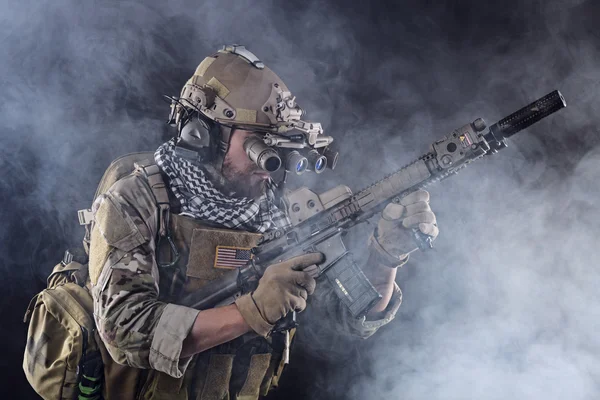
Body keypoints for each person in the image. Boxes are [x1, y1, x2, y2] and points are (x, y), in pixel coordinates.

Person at [88, 45, 439, 399]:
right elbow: (125, 330)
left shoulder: (279, 212)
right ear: (201, 134)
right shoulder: (138, 200)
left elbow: (350, 317)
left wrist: (385, 257)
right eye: (258, 145)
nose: (268, 164)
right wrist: (253, 310)